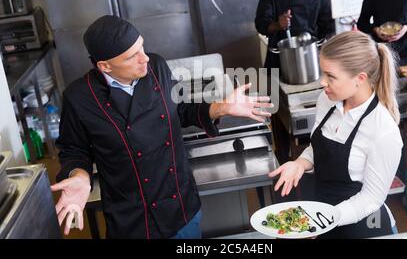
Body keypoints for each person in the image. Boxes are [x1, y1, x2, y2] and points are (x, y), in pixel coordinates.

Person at [50, 15, 273, 239]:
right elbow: (74, 150)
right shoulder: (79, 98)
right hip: (132, 220)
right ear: (104, 66)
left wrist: (220, 107)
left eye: (142, 47)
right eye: (132, 56)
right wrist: (79, 176)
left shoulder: (157, 66)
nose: (144, 58)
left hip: (180, 209)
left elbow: (181, 108)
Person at [269, 31, 403, 238]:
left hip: (363, 226)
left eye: (330, 76)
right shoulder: (327, 99)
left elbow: (371, 199)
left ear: (360, 79)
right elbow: (319, 148)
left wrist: (323, 220)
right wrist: (300, 163)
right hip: (323, 215)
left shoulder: (383, 131)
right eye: (323, 73)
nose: (322, 82)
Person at [255, 0, 335, 165]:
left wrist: (322, 46)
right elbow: (261, 24)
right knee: (275, 113)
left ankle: (317, 159)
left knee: (313, 114)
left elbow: (328, 27)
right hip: (278, 59)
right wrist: (277, 25)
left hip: (310, 63)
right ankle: (282, 159)